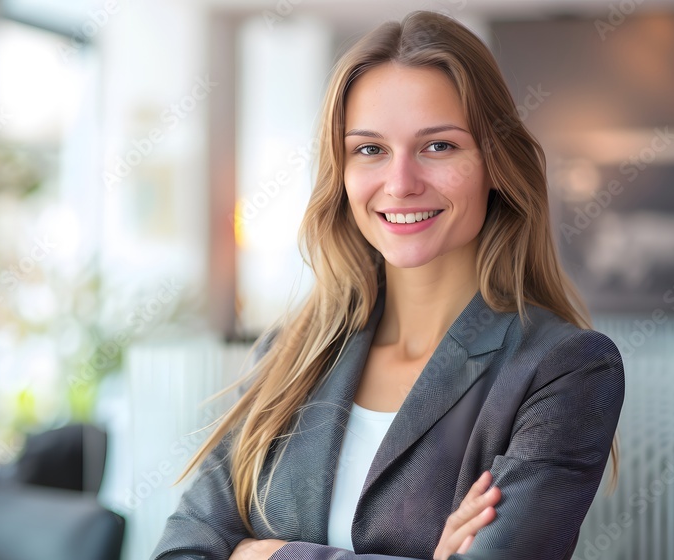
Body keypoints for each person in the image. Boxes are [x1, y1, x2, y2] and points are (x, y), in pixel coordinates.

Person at [151, 10, 624, 560]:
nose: (401, 184)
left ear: (494, 162)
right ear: (343, 172)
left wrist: (263, 554)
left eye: (438, 146)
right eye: (370, 149)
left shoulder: (565, 369)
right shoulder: (287, 356)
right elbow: (180, 551)